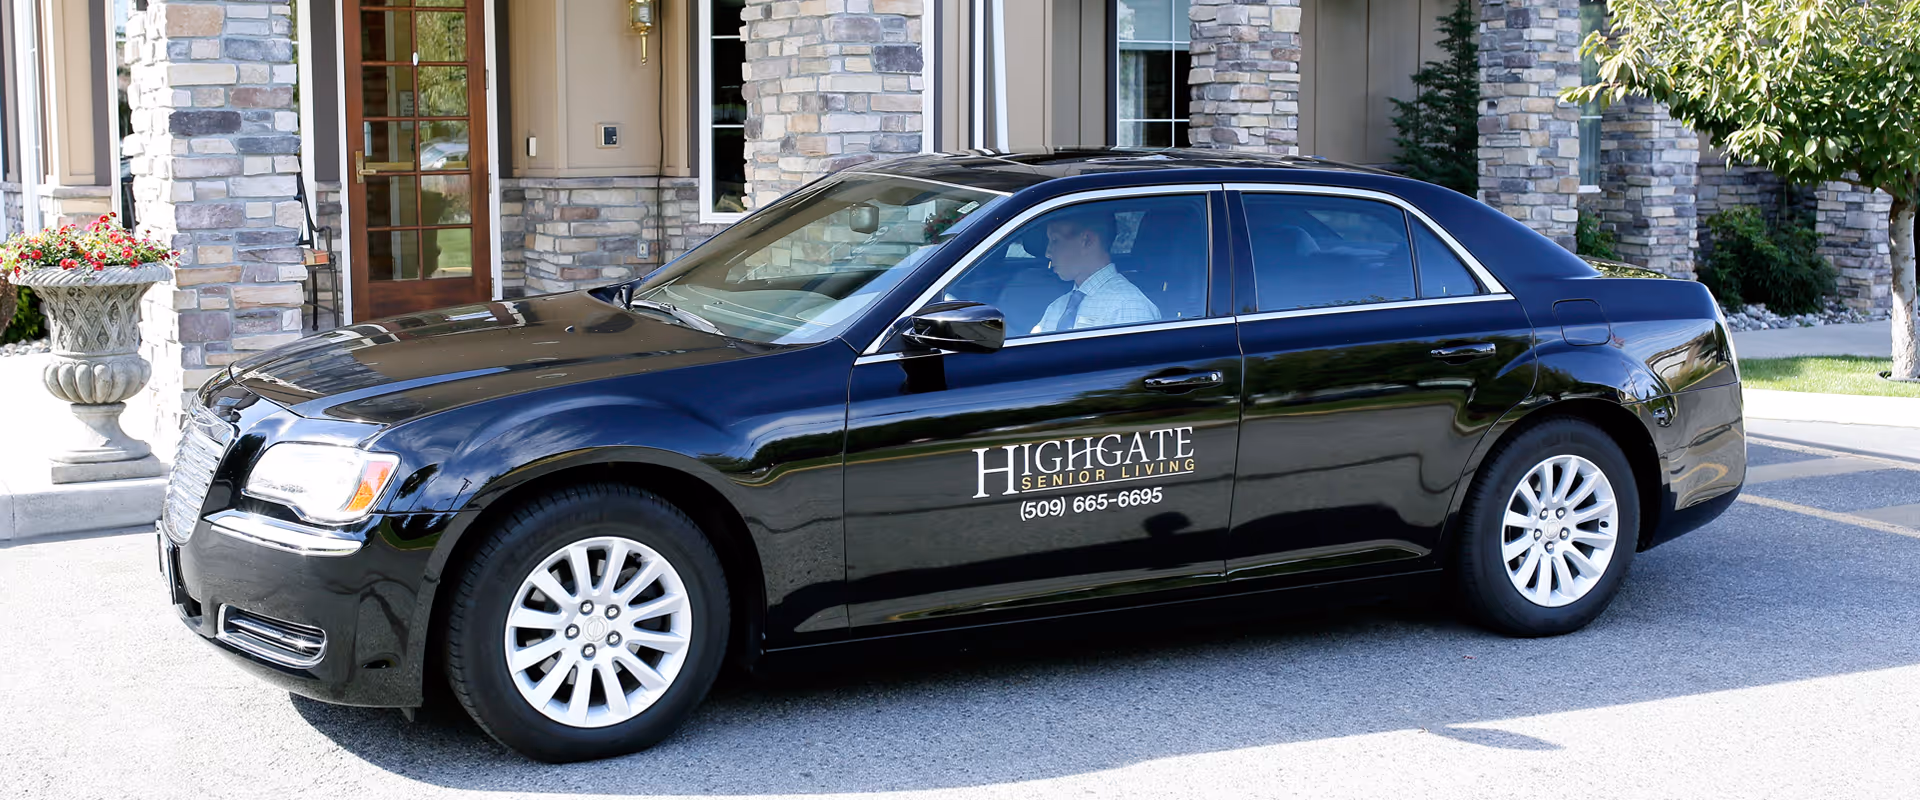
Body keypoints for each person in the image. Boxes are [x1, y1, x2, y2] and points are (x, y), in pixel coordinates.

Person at [1031, 211, 1160, 334]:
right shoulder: (1057, 307)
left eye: (1055, 241)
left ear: (1087, 240)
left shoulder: (1128, 307)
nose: (1048, 253)